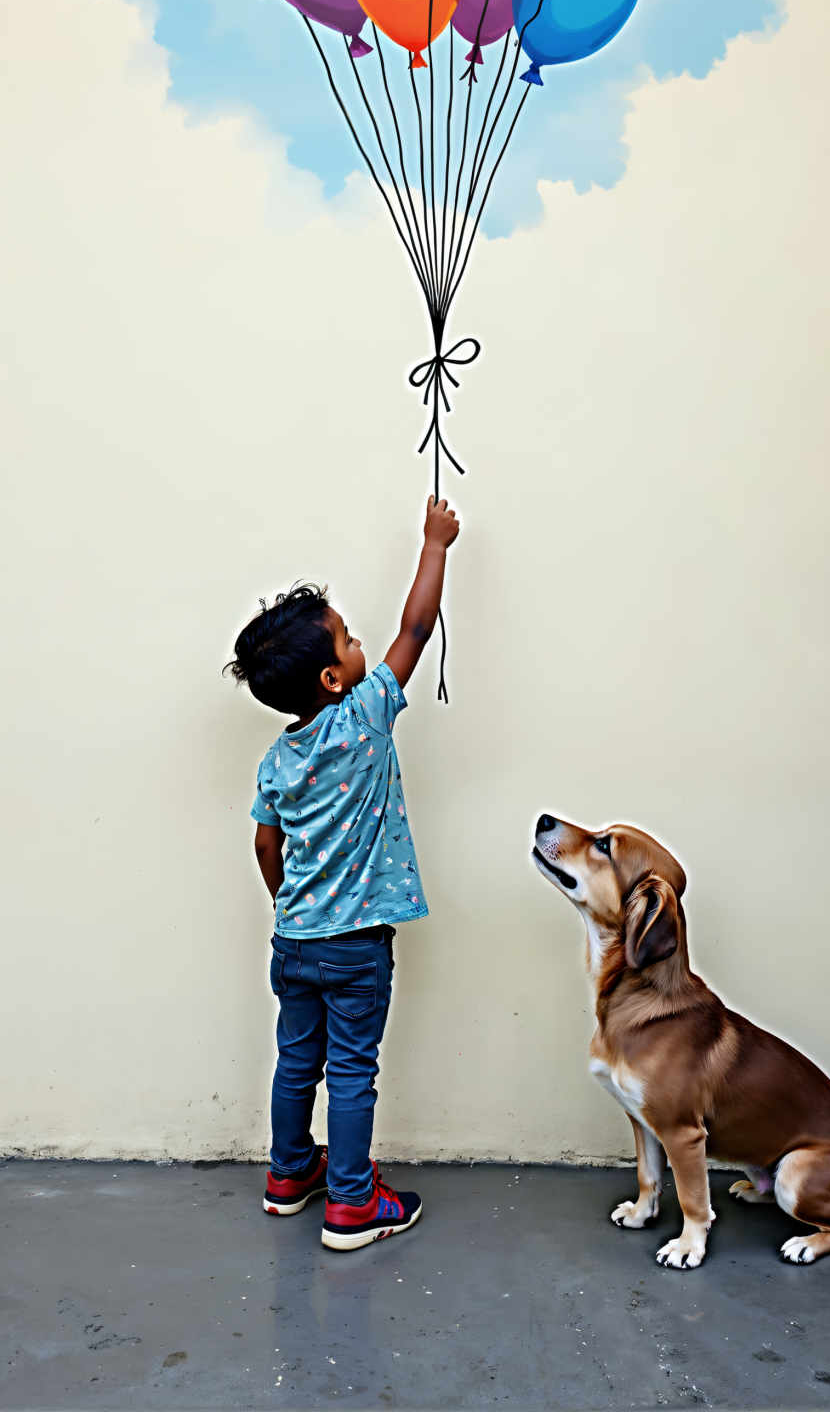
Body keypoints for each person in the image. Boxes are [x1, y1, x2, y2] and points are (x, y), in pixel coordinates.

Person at [226, 495, 459, 1251]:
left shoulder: (277, 761)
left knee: (297, 1061)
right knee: (352, 1070)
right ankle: (353, 1204)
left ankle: (289, 1175)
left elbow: (265, 846)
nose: (365, 647)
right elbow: (416, 629)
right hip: (356, 945)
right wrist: (435, 545)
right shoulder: (364, 716)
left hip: (294, 940)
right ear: (334, 678)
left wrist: (286, 905)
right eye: (350, 641)